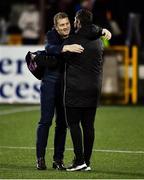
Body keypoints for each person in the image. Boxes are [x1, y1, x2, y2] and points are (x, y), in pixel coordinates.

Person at [36, 12, 111, 170]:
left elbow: (89, 28)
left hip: (66, 87)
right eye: (61, 25)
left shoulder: (74, 35)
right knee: (45, 121)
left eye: (67, 24)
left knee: (62, 124)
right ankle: (40, 158)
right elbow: (49, 47)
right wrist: (65, 47)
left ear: (72, 23)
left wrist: (102, 29)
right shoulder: (52, 35)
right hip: (50, 84)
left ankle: (58, 160)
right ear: (56, 27)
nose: (65, 27)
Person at [62, 9, 104, 171]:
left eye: (74, 20)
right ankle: (86, 161)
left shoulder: (72, 40)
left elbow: (61, 58)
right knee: (89, 126)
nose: (73, 23)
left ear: (78, 21)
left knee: (73, 124)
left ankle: (79, 161)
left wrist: (64, 48)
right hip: (93, 88)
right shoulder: (99, 40)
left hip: (75, 89)